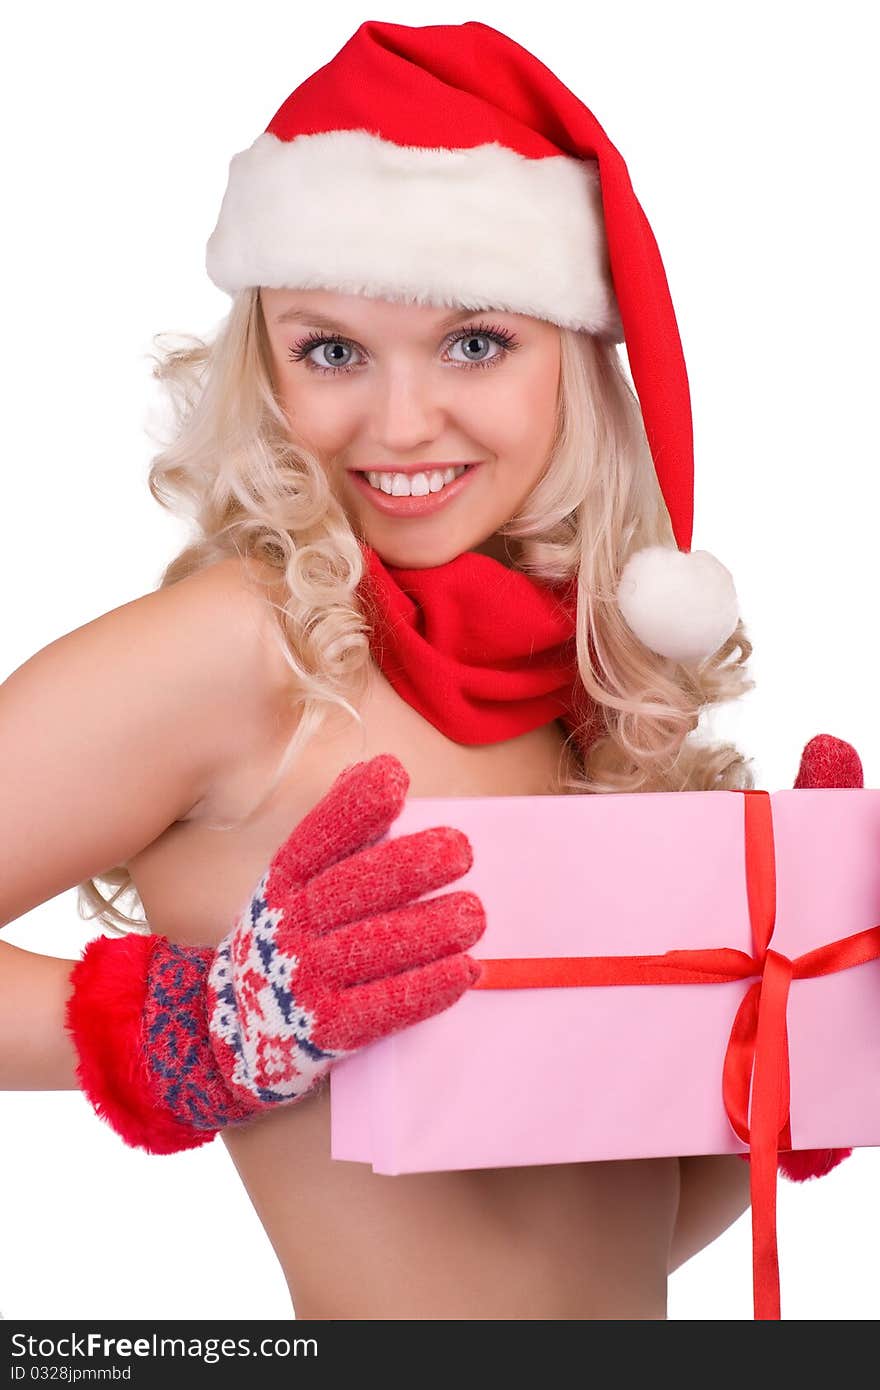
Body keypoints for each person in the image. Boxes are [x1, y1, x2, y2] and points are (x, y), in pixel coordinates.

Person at [0, 19, 860, 1321]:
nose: (401, 425)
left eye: (473, 342)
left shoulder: (595, 691)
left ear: (574, 350)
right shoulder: (246, 650)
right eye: (331, 349)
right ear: (266, 357)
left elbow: (603, 1245)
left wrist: (792, 1048)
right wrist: (206, 1027)